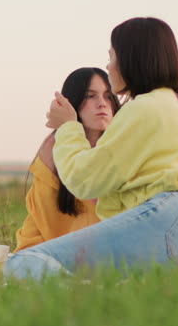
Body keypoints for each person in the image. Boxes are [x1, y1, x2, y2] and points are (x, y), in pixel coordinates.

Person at [4, 17, 178, 280]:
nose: (109, 67)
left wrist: (68, 127)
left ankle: (80, 299)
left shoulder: (143, 109)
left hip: (165, 219)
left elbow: (83, 180)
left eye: (112, 57)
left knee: (23, 264)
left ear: (131, 60)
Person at [14, 67, 120, 252]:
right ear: (73, 103)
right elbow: (44, 222)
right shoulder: (54, 148)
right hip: (53, 251)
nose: (102, 103)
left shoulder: (124, 146)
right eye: (90, 96)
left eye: (108, 96)